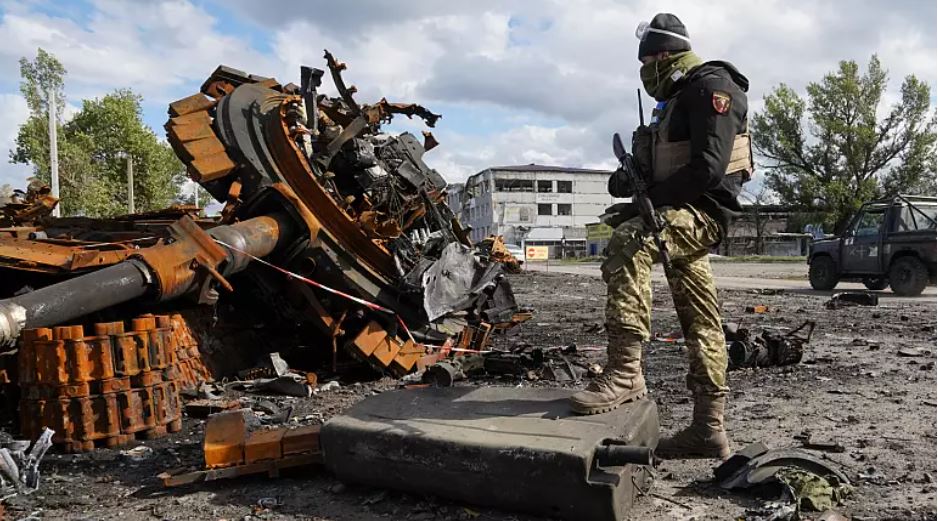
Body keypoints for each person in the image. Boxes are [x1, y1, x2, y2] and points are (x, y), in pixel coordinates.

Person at [569, 13, 753, 460]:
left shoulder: (712, 87)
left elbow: (708, 169)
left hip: (702, 214)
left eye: (649, 58)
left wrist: (641, 205)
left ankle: (626, 373)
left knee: (629, 240)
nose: (646, 68)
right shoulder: (674, 100)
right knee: (702, 318)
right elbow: (664, 165)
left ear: (665, 55)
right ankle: (709, 430)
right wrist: (628, 183)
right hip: (676, 212)